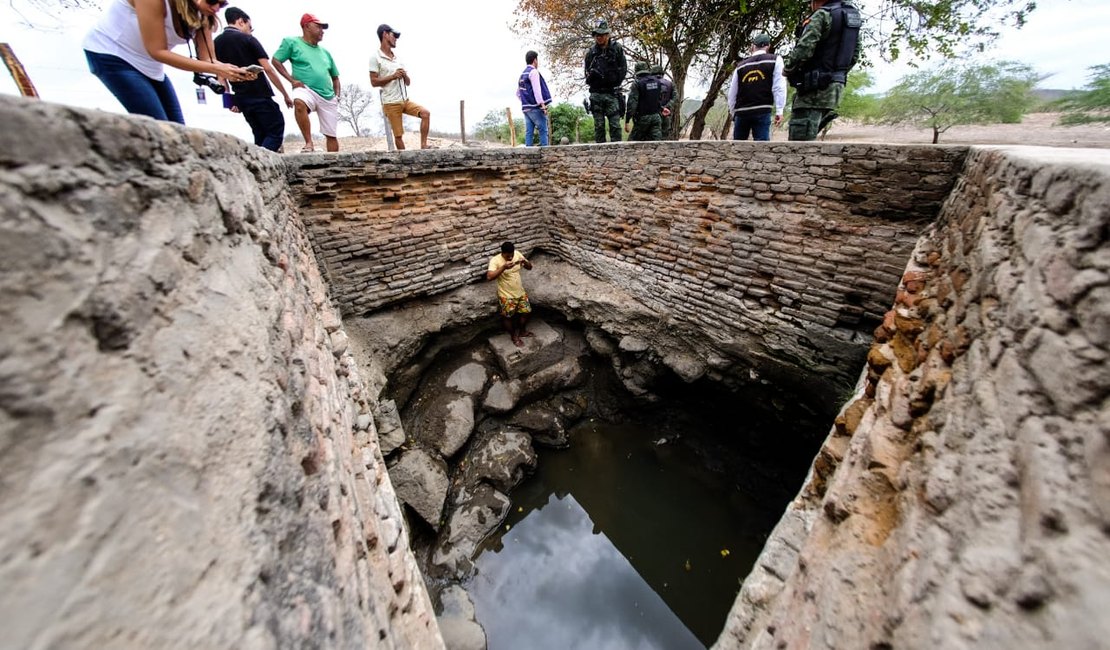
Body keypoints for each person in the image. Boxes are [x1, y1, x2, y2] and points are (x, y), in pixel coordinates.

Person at [83, 0, 256, 124]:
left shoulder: (205, 14)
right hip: (112, 54)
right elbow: (158, 51)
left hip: (150, 65)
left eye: (222, 4)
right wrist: (219, 69)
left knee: (177, 130)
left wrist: (232, 71)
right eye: (212, 1)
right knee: (158, 128)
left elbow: (208, 59)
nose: (216, 8)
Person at [214, 6, 292, 151]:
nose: (250, 31)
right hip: (259, 94)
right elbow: (268, 69)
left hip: (241, 98)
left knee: (259, 134)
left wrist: (230, 101)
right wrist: (285, 94)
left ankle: (257, 167)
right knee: (275, 130)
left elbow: (220, 76)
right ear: (240, 21)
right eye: (250, 27)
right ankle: (259, 166)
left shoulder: (216, 43)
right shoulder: (248, 39)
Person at [783, 0, 862, 141]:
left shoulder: (823, 15)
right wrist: (835, 74)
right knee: (810, 137)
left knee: (799, 145)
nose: (810, 5)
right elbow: (854, 55)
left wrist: (788, 69)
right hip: (834, 88)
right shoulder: (851, 18)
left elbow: (804, 49)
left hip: (813, 89)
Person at [272, 13, 340, 152]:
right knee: (299, 102)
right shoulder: (292, 42)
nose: (322, 31)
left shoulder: (325, 52)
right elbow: (276, 60)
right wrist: (292, 80)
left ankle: (335, 160)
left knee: (331, 135)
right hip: (305, 88)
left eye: (323, 28)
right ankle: (309, 143)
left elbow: (335, 77)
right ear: (306, 26)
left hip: (327, 95)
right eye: (318, 27)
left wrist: (337, 96)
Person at [369, 24, 432, 150]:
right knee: (398, 135)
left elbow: (408, 83)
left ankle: (424, 145)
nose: (396, 39)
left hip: (405, 100)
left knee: (425, 113)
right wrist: (393, 76)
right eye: (394, 35)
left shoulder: (397, 58)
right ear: (385, 34)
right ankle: (405, 162)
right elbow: (374, 82)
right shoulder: (375, 58)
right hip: (390, 102)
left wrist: (404, 76)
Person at [727, 33, 787, 141]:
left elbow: (732, 92)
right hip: (762, 110)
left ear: (753, 46)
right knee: (762, 150)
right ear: (768, 46)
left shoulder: (741, 65)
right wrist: (779, 110)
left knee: (737, 149)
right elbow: (779, 87)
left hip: (742, 112)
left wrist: (733, 113)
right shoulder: (775, 60)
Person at [583, 19, 627, 143]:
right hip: (596, 93)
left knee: (615, 126)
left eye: (602, 35)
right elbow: (586, 72)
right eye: (597, 35)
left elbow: (623, 68)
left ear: (607, 35)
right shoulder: (591, 52)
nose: (599, 37)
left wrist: (615, 82)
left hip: (612, 93)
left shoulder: (617, 48)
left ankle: (618, 154)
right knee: (599, 127)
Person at [486, 242, 534, 347]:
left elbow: (530, 267)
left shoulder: (517, 254)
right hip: (506, 295)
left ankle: (522, 331)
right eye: (508, 255)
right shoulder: (495, 260)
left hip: (520, 292)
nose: (511, 257)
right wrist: (503, 267)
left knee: (526, 312)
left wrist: (525, 262)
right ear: (502, 253)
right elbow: (489, 277)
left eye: (512, 255)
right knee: (508, 317)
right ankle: (513, 336)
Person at [517, 50, 553, 147]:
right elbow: (537, 91)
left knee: (529, 132)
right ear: (535, 60)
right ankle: (546, 156)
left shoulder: (522, 74)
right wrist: (542, 105)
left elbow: (518, 93)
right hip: (535, 108)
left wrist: (526, 100)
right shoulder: (533, 72)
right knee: (543, 130)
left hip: (526, 108)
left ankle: (528, 155)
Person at [624, 62, 663, 141]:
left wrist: (627, 120)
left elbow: (632, 103)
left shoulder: (637, 83)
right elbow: (658, 99)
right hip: (656, 117)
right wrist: (661, 109)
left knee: (631, 143)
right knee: (657, 143)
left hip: (643, 118)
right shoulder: (657, 82)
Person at [650, 64, 676, 140]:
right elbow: (675, 98)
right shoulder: (670, 83)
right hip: (666, 114)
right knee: (664, 136)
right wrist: (667, 107)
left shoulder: (649, 84)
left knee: (652, 137)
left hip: (653, 114)